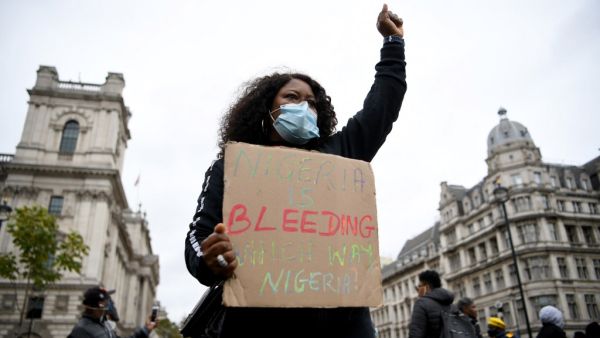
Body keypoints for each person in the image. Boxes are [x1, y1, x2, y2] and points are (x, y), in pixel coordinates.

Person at [184, 4, 406, 338]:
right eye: (292, 97)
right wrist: (211, 258)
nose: (305, 107)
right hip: (255, 324)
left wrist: (393, 44)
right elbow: (197, 241)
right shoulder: (232, 166)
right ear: (266, 109)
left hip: (341, 323)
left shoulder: (337, 155)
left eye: (313, 102)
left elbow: (382, 107)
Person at [67, 286, 156, 338]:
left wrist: (145, 330)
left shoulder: (105, 325)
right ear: (99, 305)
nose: (109, 304)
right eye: (106, 301)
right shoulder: (82, 329)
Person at [407, 270, 455, 338]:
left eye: (419, 286)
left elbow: (415, 334)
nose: (418, 290)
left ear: (427, 287)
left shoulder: (421, 304)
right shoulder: (450, 304)